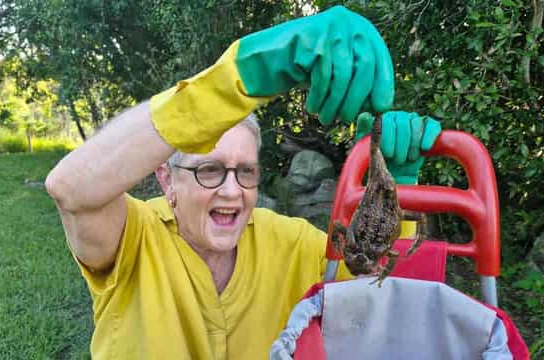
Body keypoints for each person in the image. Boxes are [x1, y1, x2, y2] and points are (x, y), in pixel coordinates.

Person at [45, 6, 441, 359]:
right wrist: (248, 73)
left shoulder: (292, 245)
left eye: (246, 171)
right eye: (210, 170)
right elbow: (71, 188)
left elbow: (381, 301)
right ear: (167, 181)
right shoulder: (133, 239)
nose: (232, 191)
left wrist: (394, 195)